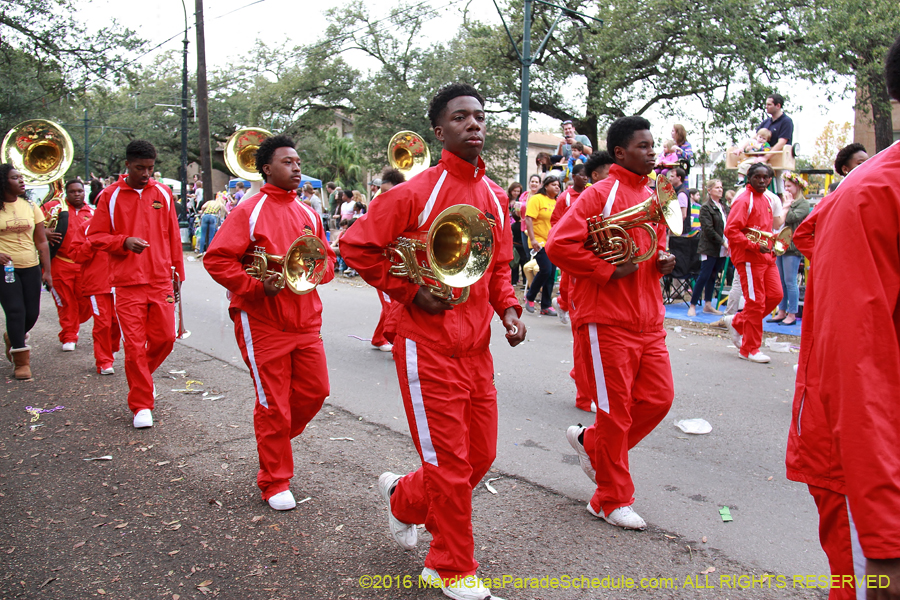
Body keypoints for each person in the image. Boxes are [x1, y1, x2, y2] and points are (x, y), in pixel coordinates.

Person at [339, 82, 525, 600]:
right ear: (439, 131)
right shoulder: (414, 192)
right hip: (427, 348)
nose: (473, 123)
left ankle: (402, 498)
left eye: (479, 116)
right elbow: (355, 246)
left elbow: (498, 266)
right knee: (450, 465)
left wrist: (509, 309)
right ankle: (451, 567)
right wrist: (409, 291)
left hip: (477, 351)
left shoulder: (495, 196)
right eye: (460, 117)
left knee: (480, 456)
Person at [785, 34, 900, 599]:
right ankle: (611, 490)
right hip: (875, 468)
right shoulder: (868, 197)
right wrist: (885, 536)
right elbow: (857, 367)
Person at [547, 116, 676, 531]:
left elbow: (654, 246)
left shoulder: (653, 196)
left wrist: (663, 261)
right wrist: (605, 270)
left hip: (649, 320)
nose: (652, 153)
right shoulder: (598, 194)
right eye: (644, 146)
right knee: (615, 413)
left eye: (653, 145)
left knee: (659, 399)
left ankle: (592, 443)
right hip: (606, 320)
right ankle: (610, 499)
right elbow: (558, 245)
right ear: (620, 152)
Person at [203, 134, 336, 512]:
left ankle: (272, 440)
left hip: (305, 320)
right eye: (287, 162)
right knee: (273, 404)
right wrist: (256, 286)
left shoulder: (310, 213)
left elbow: (326, 260)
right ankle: (274, 479)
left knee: (315, 392)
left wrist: (314, 272)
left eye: (298, 162)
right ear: (266, 168)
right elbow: (217, 259)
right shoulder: (249, 209)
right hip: (261, 319)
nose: (296, 168)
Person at [88, 140, 185, 429]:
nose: (146, 174)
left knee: (166, 338)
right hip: (127, 283)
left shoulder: (163, 193)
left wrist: (178, 275)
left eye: (150, 168)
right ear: (127, 165)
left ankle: (142, 378)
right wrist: (123, 242)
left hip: (160, 280)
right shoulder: (110, 195)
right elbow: (95, 236)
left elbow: (173, 235)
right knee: (133, 345)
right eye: (140, 168)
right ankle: (141, 404)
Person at [722, 162, 783, 363]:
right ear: (749, 178)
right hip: (749, 258)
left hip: (766, 256)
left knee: (775, 295)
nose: (762, 181)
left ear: (770, 179)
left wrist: (773, 243)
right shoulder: (743, 199)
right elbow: (731, 230)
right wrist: (755, 245)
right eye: (757, 177)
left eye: (766, 177)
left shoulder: (767, 199)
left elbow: (767, 228)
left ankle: (738, 321)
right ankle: (749, 349)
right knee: (756, 302)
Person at [549, 163, 597, 413]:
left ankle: (581, 375)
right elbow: (557, 227)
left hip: (590, 265)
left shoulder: (594, 194)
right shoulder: (566, 197)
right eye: (582, 175)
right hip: (575, 260)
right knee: (582, 332)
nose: (585, 178)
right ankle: (583, 394)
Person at [0, 164, 53, 379]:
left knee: (32, 313)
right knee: (15, 311)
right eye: (15, 178)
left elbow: (41, 241)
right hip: (5, 269)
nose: (21, 181)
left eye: (21, 177)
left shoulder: (30, 206)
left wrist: (47, 271)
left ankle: (13, 336)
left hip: (31, 266)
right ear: (3, 182)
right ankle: (21, 362)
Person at [43, 180, 94, 351]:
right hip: (60, 263)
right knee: (66, 302)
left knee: (85, 303)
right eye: (72, 191)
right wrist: (44, 232)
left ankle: (73, 324)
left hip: (83, 266)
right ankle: (69, 335)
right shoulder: (55, 208)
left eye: (80, 191)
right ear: (66, 192)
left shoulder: (93, 213)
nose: (77, 194)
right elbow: (35, 226)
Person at [69, 209, 121, 375]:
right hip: (97, 284)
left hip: (120, 283)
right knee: (103, 323)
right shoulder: (86, 227)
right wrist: (91, 243)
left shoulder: (122, 224)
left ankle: (111, 349)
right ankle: (104, 361)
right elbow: (75, 255)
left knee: (117, 322)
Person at [370, 168, 407, 353]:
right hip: (384, 266)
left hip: (399, 265)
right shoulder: (379, 209)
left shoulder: (405, 207)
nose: (382, 195)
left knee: (392, 306)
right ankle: (397, 346)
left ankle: (379, 338)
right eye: (381, 191)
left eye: (387, 191)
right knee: (391, 306)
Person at [767, 171, 809, 326]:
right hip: (780, 245)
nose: (787, 190)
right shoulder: (785, 203)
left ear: (798, 187)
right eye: (785, 186)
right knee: (781, 281)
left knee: (790, 281)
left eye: (789, 186)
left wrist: (787, 205)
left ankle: (792, 313)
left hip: (792, 247)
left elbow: (791, 218)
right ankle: (782, 311)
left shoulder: (803, 204)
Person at [688, 179, 728, 317]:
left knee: (713, 275)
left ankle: (708, 304)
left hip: (722, 248)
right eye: (717, 187)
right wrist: (723, 242)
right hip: (710, 247)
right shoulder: (706, 207)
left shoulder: (723, 206)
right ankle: (693, 304)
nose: (720, 190)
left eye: (721, 187)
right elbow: (708, 229)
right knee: (704, 275)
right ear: (709, 190)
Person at [524, 174, 560, 316]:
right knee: (545, 270)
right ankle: (530, 296)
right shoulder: (537, 199)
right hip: (539, 242)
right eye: (553, 184)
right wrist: (532, 239)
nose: (557, 187)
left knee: (551, 274)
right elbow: (528, 219)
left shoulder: (558, 202)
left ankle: (546, 305)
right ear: (546, 186)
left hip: (553, 243)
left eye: (558, 185)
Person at [759, 93, 794, 194]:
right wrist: (742, 148)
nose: (766, 107)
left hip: (780, 161)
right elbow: (755, 137)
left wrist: (766, 157)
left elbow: (782, 142)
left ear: (778, 106)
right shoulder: (766, 123)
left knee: (782, 191)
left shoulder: (786, 121)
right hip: (767, 163)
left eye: (769, 104)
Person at [196, 191, 226, 255]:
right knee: (211, 236)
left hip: (205, 216)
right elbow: (226, 212)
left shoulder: (210, 202)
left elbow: (203, 207)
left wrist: (203, 212)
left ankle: (201, 251)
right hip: (213, 217)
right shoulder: (220, 204)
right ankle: (209, 252)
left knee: (203, 234)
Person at [666, 167, 690, 233]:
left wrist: (673, 229)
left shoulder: (681, 194)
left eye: (672, 176)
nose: (670, 179)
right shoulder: (677, 191)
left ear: (679, 178)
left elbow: (683, 215)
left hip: (680, 233)